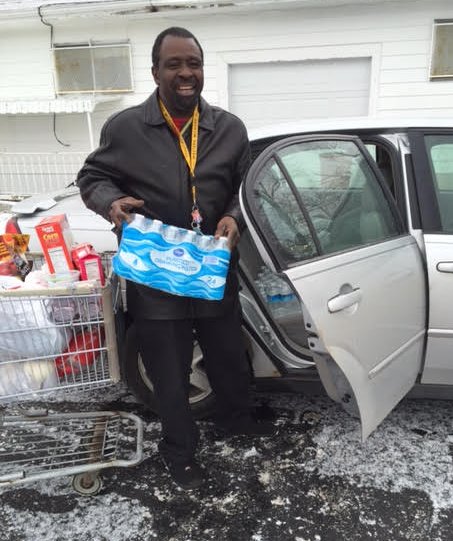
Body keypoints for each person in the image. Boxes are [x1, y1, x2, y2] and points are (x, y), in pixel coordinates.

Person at [77, 26, 273, 490]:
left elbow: (246, 189)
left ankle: (235, 417)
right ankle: (179, 452)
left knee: (227, 354)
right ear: (155, 71)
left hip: (211, 267)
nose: (186, 73)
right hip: (156, 270)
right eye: (175, 64)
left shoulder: (229, 128)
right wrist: (112, 202)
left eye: (194, 64)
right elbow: (92, 176)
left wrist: (232, 217)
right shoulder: (125, 127)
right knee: (168, 369)